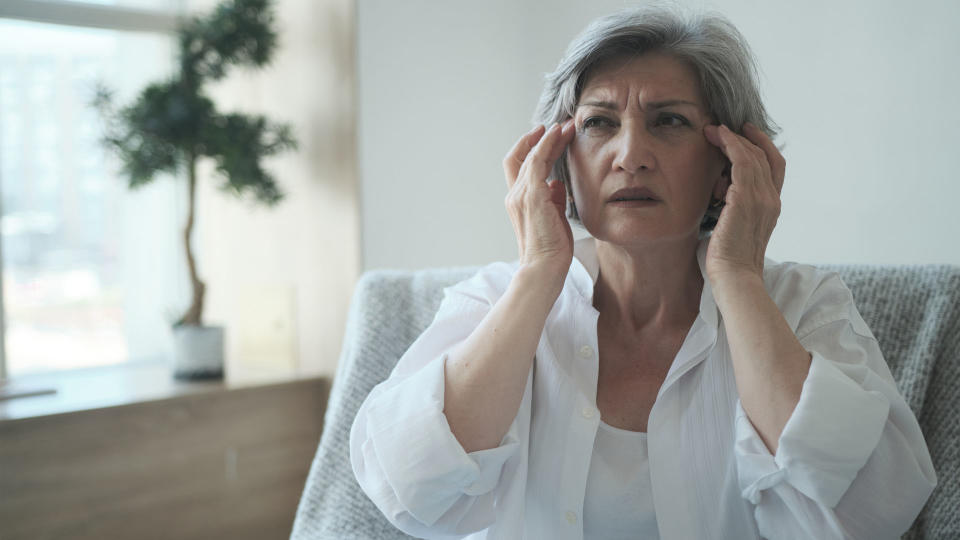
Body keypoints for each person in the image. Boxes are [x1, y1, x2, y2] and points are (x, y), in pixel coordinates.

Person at [349, 5, 937, 539]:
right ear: (557, 160)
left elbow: (876, 510)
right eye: (599, 122)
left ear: (729, 161)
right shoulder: (496, 300)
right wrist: (538, 273)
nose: (630, 155)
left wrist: (736, 274)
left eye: (670, 122)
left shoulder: (800, 304)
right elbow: (406, 487)